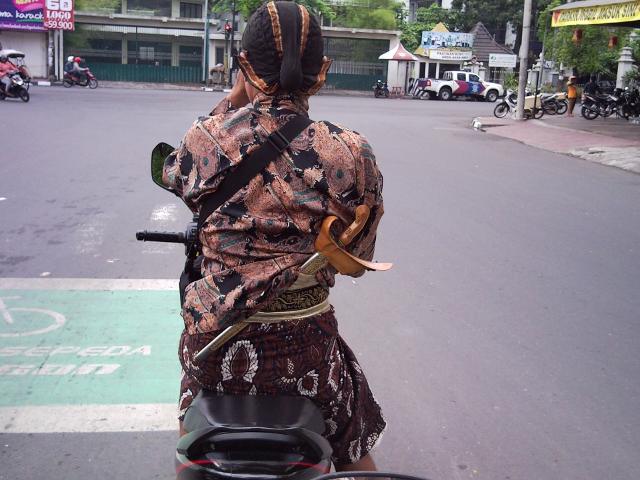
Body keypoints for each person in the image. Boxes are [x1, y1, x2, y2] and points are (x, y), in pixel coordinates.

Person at [163, 1, 386, 471]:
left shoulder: (205, 138)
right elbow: (359, 258)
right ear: (321, 72)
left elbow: (177, 177)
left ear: (244, 67)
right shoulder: (351, 152)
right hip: (306, 347)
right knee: (355, 450)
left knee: (190, 431)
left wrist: (235, 97)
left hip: (216, 344)